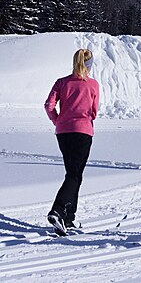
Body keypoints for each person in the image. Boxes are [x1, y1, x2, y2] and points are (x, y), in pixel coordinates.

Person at [44, 49, 99, 236]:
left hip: (63, 132)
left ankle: (69, 218)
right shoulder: (92, 85)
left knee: (73, 174)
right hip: (83, 132)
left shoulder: (61, 82)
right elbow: (94, 111)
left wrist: (57, 120)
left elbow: (48, 105)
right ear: (89, 66)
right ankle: (58, 210)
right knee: (74, 175)